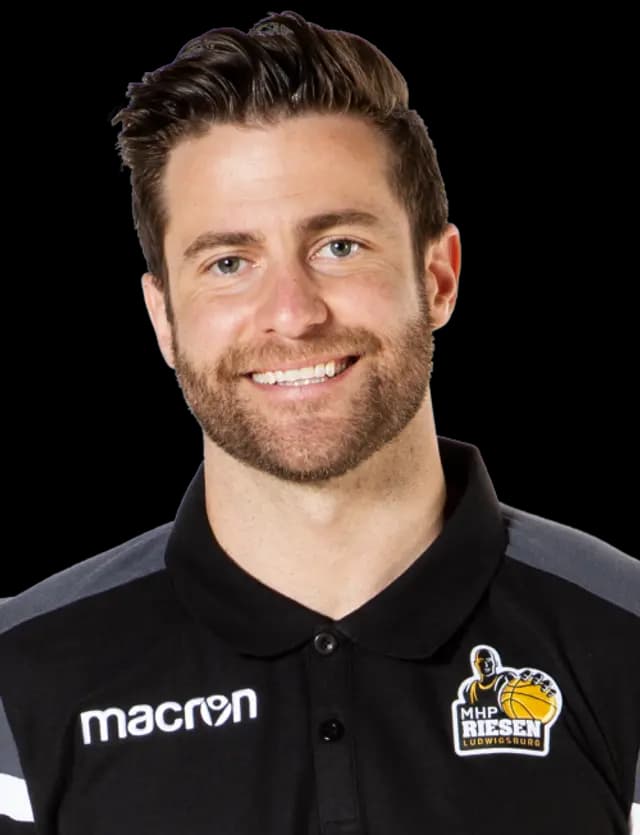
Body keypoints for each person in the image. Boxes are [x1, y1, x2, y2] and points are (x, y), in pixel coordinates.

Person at [1, 10, 638, 834]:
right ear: (163, 318)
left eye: (339, 246)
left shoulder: (625, 638)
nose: (293, 314)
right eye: (229, 262)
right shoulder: (21, 675)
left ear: (438, 277)